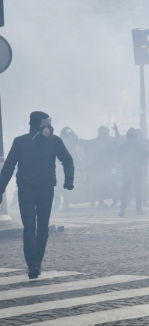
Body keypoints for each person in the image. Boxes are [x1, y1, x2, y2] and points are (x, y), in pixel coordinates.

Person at [0, 112, 74, 279]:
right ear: (38, 124)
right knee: (29, 226)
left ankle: (37, 263)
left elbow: (67, 160)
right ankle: (32, 263)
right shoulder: (21, 142)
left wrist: (69, 179)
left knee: (42, 228)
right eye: (46, 122)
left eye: (50, 122)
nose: (49, 126)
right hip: (26, 189)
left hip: (46, 189)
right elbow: (8, 167)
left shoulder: (54, 141)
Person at [117, 128, 149, 216]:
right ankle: (138, 209)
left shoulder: (123, 145)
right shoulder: (140, 144)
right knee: (138, 189)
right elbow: (146, 154)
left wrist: (124, 164)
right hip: (138, 169)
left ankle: (122, 210)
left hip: (127, 169)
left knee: (125, 190)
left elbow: (118, 158)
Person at [86, 124, 120, 207]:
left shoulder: (111, 140)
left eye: (106, 132)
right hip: (99, 166)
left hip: (110, 165)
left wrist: (116, 131)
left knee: (113, 183)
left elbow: (118, 141)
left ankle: (115, 201)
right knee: (99, 184)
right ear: (99, 132)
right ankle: (99, 201)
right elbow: (89, 153)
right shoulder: (94, 141)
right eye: (103, 132)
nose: (104, 134)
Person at [53, 127, 81, 210]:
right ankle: (64, 204)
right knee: (64, 184)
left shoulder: (59, 140)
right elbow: (74, 140)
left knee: (59, 185)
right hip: (65, 165)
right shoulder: (67, 141)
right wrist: (72, 133)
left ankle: (59, 203)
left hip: (61, 165)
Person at [136, 129, 149, 207]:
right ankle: (143, 199)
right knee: (141, 182)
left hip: (142, 165)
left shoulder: (145, 142)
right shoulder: (145, 141)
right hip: (139, 165)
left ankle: (144, 199)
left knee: (143, 182)